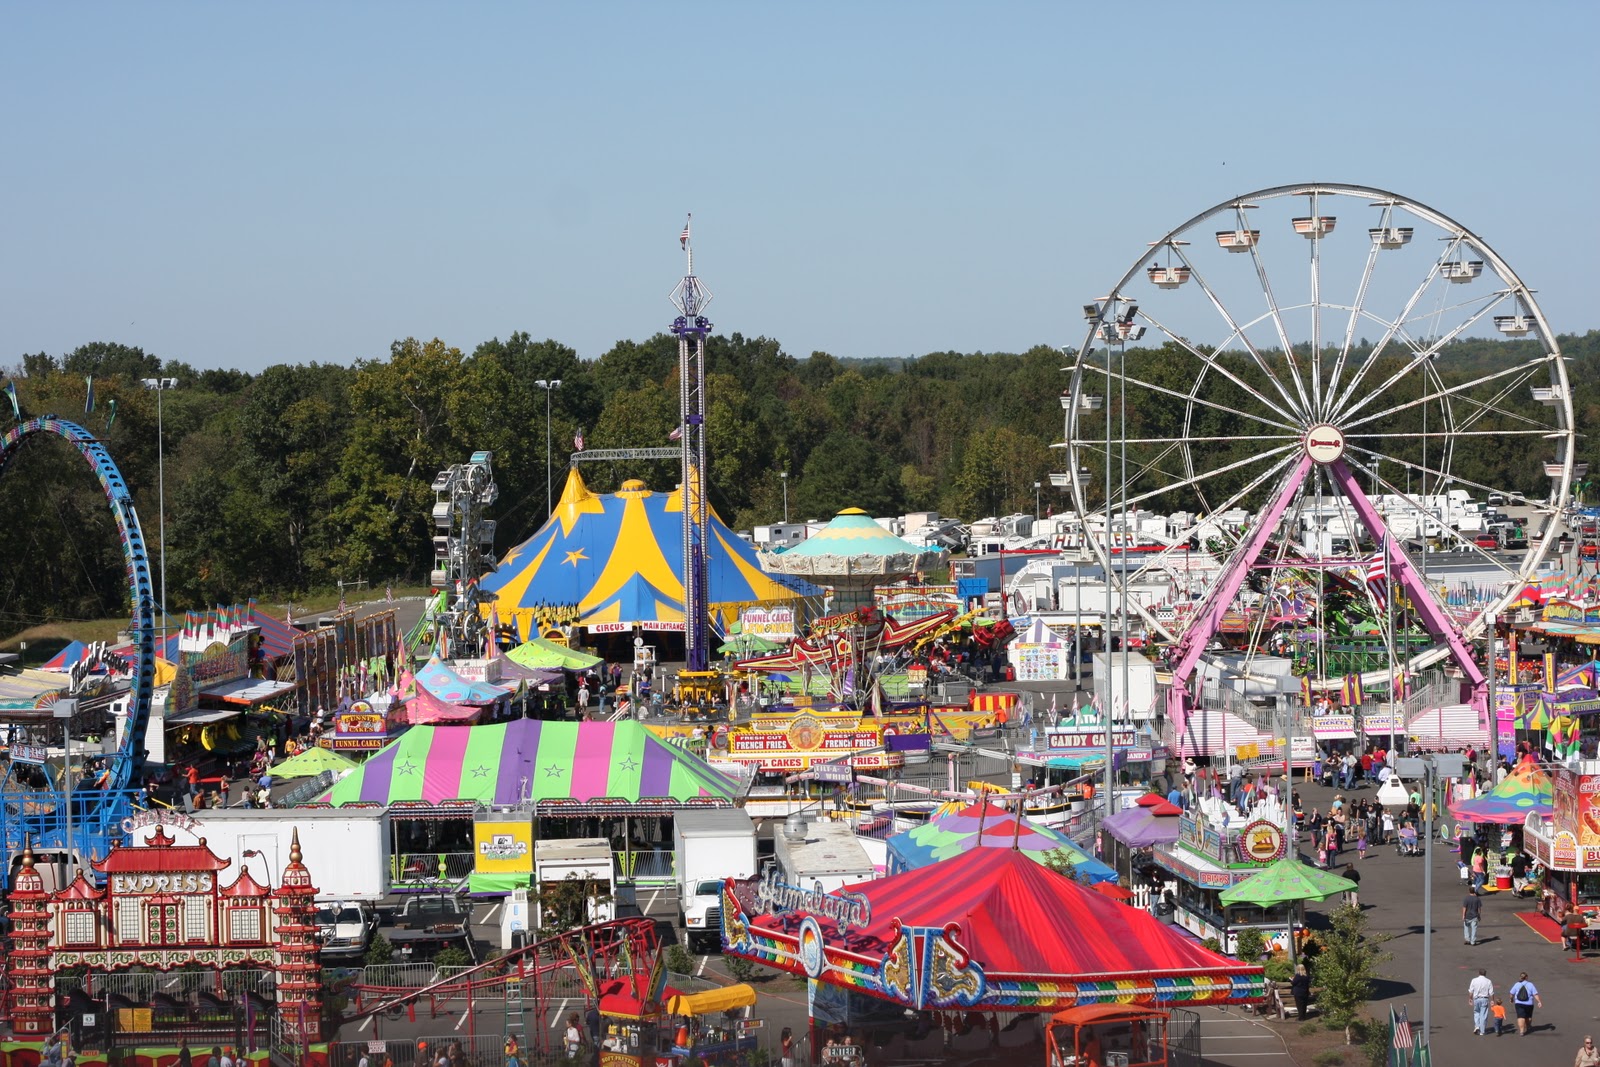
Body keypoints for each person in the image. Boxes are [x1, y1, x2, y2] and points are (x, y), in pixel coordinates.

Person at [1469, 969, 1494, 1035]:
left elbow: (1471, 991)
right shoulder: (1488, 981)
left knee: (1476, 1012)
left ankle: (1477, 1026)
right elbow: (1491, 992)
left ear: (1479, 973)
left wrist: (1470, 998)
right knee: (1483, 1015)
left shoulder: (1474, 980)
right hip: (1484, 999)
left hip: (1476, 999)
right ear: (1485, 974)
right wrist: (1492, 1000)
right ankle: (1482, 1031)